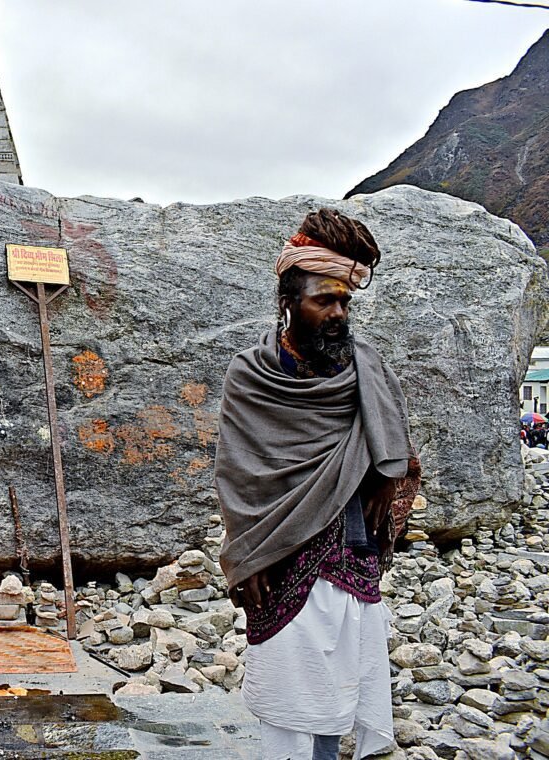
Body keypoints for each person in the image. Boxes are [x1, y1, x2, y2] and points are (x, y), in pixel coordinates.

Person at [215, 208, 421, 760]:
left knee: (342, 688)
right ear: (289, 302)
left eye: (344, 302)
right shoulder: (251, 375)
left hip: (350, 551)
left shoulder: (367, 369)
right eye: (323, 300)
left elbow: (399, 455)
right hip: (281, 557)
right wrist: (248, 556)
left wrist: (386, 474)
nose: (337, 313)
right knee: (289, 697)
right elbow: (239, 474)